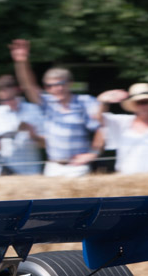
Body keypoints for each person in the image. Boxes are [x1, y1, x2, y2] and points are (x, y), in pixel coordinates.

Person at [9, 39, 102, 177]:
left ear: (70, 83)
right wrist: (21, 62)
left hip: (78, 167)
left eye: (60, 84)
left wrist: (93, 153)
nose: (55, 89)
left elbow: (102, 127)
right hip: (53, 166)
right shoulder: (47, 103)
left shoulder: (85, 101)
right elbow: (28, 86)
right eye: (49, 86)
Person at [95, 83, 148, 174]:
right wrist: (103, 101)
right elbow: (98, 117)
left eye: (147, 102)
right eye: (139, 102)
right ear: (133, 105)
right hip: (127, 178)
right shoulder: (122, 122)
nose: (144, 106)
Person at [0, 75, 44, 176]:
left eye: (10, 99)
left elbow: (47, 145)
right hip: (3, 174)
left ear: (18, 91)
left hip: (32, 174)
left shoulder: (34, 110)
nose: (7, 103)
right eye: (2, 100)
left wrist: (32, 134)